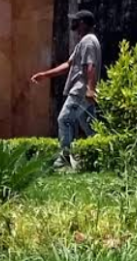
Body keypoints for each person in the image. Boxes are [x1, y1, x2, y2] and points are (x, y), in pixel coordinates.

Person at [30, 9, 101, 169]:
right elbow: (68, 65)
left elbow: (91, 66)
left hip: (80, 91)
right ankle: (101, 157)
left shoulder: (88, 41)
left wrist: (90, 89)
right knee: (91, 127)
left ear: (82, 23)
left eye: (76, 21)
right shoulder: (84, 42)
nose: (73, 24)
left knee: (65, 120)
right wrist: (45, 75)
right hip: (83, 91)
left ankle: (65, 158)